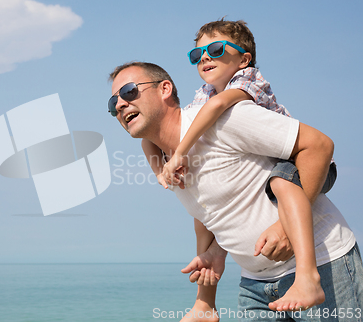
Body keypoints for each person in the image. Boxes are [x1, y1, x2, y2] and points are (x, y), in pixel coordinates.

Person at [107, 61, 362, 321]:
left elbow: (318, 146)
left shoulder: (223, 119)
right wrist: (204, 301)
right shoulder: (163, 161)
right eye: (112, 102)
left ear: (165, 89)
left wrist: (286, 228)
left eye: (129, 91)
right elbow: (208, 218)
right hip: (255, 285)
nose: (119, 104)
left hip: (323, 264)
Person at [139, 19, 336, 312]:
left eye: (215, 48)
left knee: (281, 183)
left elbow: (217, 109)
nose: (204, 57)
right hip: (257, 265)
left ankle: (308, 275)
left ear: (244, 59)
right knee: (202, 209)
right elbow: (149, 141)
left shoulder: (248, 82)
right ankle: (204, 304)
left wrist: (180, 153)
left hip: (298, 163)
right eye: (197, 54)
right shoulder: (203, 95)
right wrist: (160, 171)